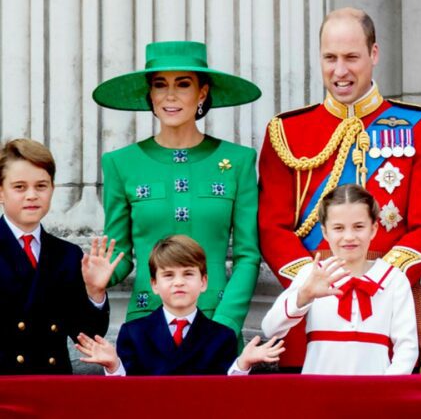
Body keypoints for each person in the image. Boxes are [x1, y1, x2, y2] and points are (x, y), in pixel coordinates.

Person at [258, 8, 421, 372]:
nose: (340, 71)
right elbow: (272, 229)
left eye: (351, 58)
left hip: (389, 308)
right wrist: (316, 283)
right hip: (313, 310)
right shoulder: (286, 132)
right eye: (330, 58)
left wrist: (379, 283)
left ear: (374, 55)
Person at [92, 41, 262, 340]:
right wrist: (93, 280)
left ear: (202, 92)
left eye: (183, 84)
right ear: (151, 94)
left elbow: (248, 256)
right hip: (147, 327)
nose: (170, 95)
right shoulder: (121, 164)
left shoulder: (239, 161)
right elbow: (119, 254)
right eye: (160, 85)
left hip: (216, 323)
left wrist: (225, 323)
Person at [262, 184, 418, 374]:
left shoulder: (394, 279)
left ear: (374, 229)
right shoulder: (311, 274)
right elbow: (271, 329)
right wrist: (303, 296)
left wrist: (386, 390)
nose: (349, 237)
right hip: (319, 392)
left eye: (359, 227)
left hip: (375, 393)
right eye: (338, 228)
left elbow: (407, 348)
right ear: (325, 232)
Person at [76, 235, 284, 375]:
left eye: (188, 274)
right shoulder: (134, 333)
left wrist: (242, 364)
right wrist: (114, 366)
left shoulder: (222, 336)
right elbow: (128, 395)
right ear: (154, 284)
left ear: (203, 282)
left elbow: (224, 396)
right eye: (168, 275)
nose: (178, 282)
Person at [0, 138, 121, 374]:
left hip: (51, 385)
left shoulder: (67, 254)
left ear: (52, 189)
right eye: (20, 187)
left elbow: (85, 335)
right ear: (1, 192)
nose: (32, 195)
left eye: (41, 186)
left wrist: (94, 292)